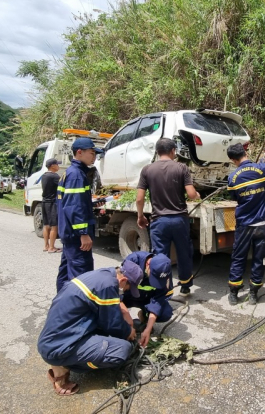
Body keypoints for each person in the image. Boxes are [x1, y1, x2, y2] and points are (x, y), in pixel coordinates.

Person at [37, 263, 143, 396]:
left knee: (111, 335)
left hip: (55, 339)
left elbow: (109, 313)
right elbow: (112, 324)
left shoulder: (104, 275)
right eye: (127, 288)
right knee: (122, 350)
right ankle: (64, 367)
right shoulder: (108, 286)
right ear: (123, 280)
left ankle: (67, 360)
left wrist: (125, 317)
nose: (125, 291)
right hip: (59, 347)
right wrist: (128, 331)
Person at [137, 138, 201, 295]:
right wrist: (197, 195)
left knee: (160, 257)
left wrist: (140, 216)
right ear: (173, 151)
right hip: (179, 220)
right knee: (184, 253)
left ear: (157, 152)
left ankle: (164, 290)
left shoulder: (147, 170)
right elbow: (191, 194)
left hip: (159, 221)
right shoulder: (182, 168)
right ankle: (185, 285)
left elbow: (139, 199)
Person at [225, 143, 265, 305]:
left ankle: (234, 294)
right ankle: (253, 294)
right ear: (245, 152)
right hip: (262, 223)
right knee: (259, 258)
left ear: (232, 159)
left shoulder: (233, 177)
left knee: (239, 257)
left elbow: (234, 197)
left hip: (244, 224)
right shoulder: (263, 169)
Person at [56, 138, 100, 292]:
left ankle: (61, 302)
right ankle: (77, 306)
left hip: (69, 232)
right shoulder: (76, 175)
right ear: (79, 152)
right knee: (81, 277)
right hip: (76, 236)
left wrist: (91, 204)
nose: (94, 157)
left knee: (65, 272)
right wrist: (83, 233)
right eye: (92, 153)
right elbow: (73, 207)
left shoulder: (70, 172)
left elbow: (73, 203)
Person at [121, 251, 174, 346]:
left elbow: (158, 300)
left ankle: (144, 316)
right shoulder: (133, 261)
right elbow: (119, 291)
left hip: (146, 299)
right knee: (113, 308)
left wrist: (148, 329)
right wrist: (129, 323)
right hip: (128, 296)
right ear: (148, 264)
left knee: (166, 313)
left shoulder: (165, 271)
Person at [41, 158, 61, 253]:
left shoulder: (44, 176)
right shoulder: (54, 176)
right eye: (57, 164)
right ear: (52, 166)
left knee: (46, 225)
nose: (58, 166)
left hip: (44, 202)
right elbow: (63, 186)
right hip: (52, 203)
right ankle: (52, 247)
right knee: (54, 226)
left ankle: (46, 245)